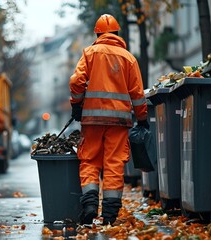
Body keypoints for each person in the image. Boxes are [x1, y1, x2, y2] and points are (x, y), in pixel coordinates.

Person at [69, 14, 149, 226]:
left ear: (98, 34)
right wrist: (142, 118)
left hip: (92, 120)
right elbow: (138, 93)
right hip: (119, 123)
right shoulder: (128, 58)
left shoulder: (90, 53)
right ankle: (110, 214)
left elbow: (76, 81)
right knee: (114, 164)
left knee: (89, 161)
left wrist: (76, 105)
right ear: (116, 34)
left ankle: (90, 204)